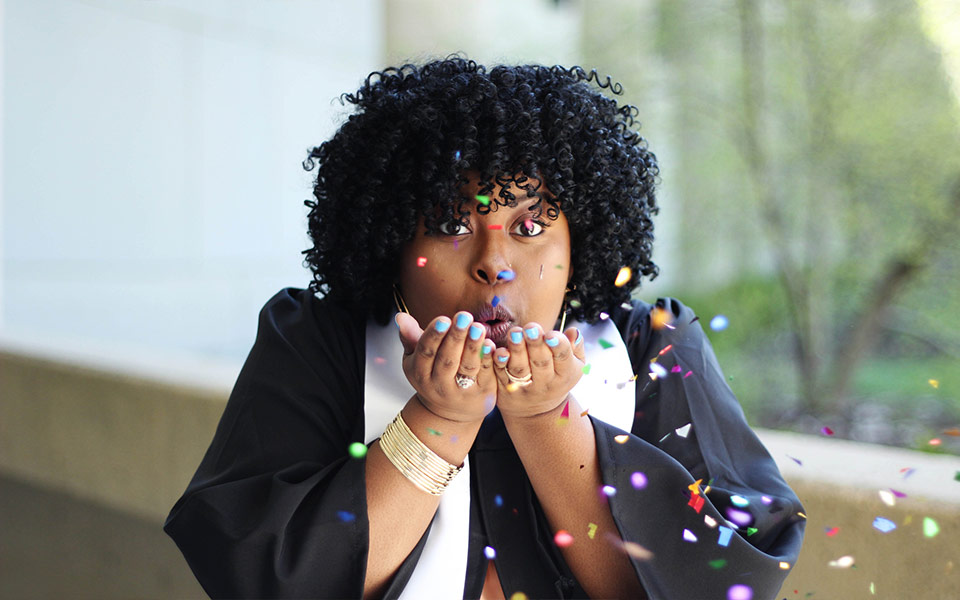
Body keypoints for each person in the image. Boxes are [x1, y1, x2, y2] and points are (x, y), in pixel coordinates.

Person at [164, 57, 805, 600]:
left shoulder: (650, 347)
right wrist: (438, 420)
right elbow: (268, 577)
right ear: (388, 240)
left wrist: (546, 419)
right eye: (449, 225)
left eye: (530, 227)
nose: (494, 264)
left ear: (579, 242)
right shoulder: (319, 342)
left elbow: (720, 579)